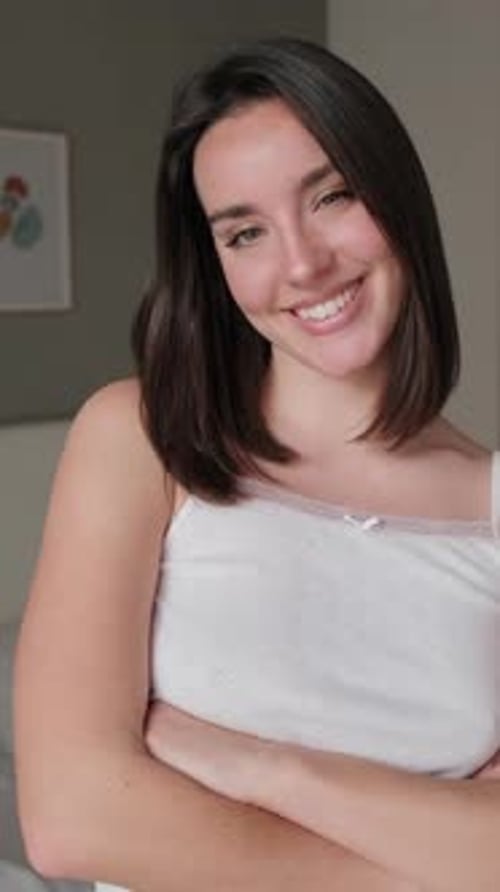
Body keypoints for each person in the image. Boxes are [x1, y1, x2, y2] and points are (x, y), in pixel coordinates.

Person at [14, 36, 500, 892]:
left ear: (396, 195)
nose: (303, 265)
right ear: (216, 266)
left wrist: (270, 771)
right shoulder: (142, 438)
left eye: (332, 197)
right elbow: (71, 819)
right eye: (246, 233)